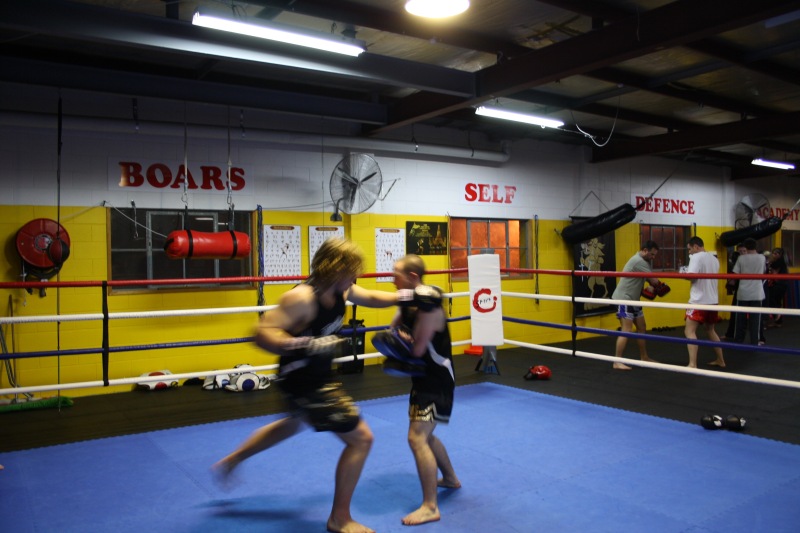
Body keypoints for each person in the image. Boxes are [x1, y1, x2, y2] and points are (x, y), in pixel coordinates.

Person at [212, 238, 399, 533]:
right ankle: (339, 519)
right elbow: (262, 332)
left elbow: (373, 297)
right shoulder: (301, 298)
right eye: (352, 270)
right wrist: (295, 343)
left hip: (318, 375)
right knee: (361, 439)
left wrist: (407, 296)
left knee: (291, 424)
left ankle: (233, 459)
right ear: (336, 269)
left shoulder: (343, 288)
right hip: (302, 379)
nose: (356, 277)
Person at [384, 254, 460, 526]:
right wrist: (397, 338)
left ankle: (430, 507)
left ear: (413, 277)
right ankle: (450, 478)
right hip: (422, 378)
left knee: (416, 438)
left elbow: (416, 350)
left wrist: (402, 341)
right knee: (425, 435)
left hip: (437, 381)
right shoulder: (407, 303)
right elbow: (391, 331)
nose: (392, 279)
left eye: (396, 274)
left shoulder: (429, 309)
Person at [610, 241, 667, 370]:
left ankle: (644, 357)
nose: (653, 257)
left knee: (642, 327)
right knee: (626, 329)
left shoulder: (644, 262)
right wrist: (658, 286)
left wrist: (652, 287)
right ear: (645, 250)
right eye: (652, 254)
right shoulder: (639, 261)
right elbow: (654, 281)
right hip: (623, 300)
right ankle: (617, 362)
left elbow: (649, 282)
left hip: (634, 300)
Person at [683, 236, 725, 368]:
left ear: (696, 247)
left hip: (698, 301)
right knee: (710, 330)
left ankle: (692, 364)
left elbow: (692, 277)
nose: (689, 252)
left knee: (689, 331)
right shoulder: (714, 259)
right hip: (712, 301)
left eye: (690, 249)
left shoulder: (696, 257)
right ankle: (721, 360)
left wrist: (683, 274)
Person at [732, 238, 766, 345]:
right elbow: (763, 271)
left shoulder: (741, 258)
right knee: (755, 320)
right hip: (757, 292)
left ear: (746, 247)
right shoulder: (762, 257)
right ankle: (755, 342)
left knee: (740, 319)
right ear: (756, 246)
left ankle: (738, 341)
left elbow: (735, 273)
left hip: (743, 292)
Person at [722, 243, 746, 340]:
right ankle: (730, 334)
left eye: (744, 251)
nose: (742, 253)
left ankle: (760, 338)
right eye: (740, 251)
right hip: (739, 289)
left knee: (754, 314)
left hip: (751, 290)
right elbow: (734, 275)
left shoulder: (753, 261)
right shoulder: (738, 260)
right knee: (735, 312)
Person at [766, 247, 789, 328]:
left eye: (776, 254)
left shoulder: (780, 262)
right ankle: (778, 321)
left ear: (780, 255)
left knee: (771, 298)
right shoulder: (780, 262)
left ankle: (777, 314)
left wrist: (770, 263)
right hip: (780, 284)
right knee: (777, 301)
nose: (774, 255)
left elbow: (773, 269)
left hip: (779, 284)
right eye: (773, 253)